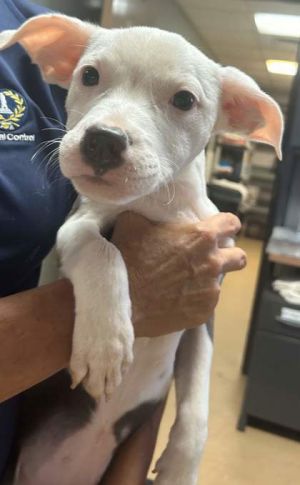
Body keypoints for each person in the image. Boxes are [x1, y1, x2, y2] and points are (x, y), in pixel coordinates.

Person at [0, 0, 246, 482]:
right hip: (34, 434)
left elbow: (189, 311)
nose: (110, 129)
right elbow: (81, 233)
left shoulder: (23, 15)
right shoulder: (45, 40)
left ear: (234, 113)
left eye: (181, 100)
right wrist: (121, 286)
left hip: (114, 438)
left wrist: (187, 434)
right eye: (90, 77)